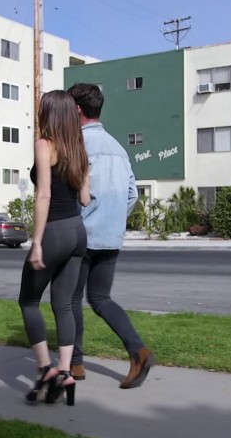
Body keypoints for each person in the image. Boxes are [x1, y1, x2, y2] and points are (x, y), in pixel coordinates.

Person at [67, 82, 155, 389]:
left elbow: (70, 193)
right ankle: (138, 350)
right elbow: (132, 194)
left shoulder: (77, 144)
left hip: (82, 235)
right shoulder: (118, 147)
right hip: (111, 236)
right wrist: (113, 218)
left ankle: (75, 362)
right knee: (101, 298)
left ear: (76, 109)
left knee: (71, 299)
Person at [19, 90, 91, 406]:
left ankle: (45, 368)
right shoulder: (79, 149)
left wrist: (36, 242)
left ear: (48, 114)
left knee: (29, 302)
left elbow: (44, 195)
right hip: (78, 232)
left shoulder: (44, 146)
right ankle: (66, 372)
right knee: (63, 305)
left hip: (55, 233)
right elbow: (86, 198)